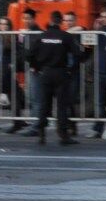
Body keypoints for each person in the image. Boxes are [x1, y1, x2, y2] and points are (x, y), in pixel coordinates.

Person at [28, 11, 80, 145]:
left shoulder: (42, 36)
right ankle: (63, 135)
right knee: (62, 105)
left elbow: (29, 55)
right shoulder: (66, 36)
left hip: (45, 73)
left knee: (44, 104)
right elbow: (77, 55)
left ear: (50, 20)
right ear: (61, 22)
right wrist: (71, 69)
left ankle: (41, 133)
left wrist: (36, 67)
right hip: (61, 73)